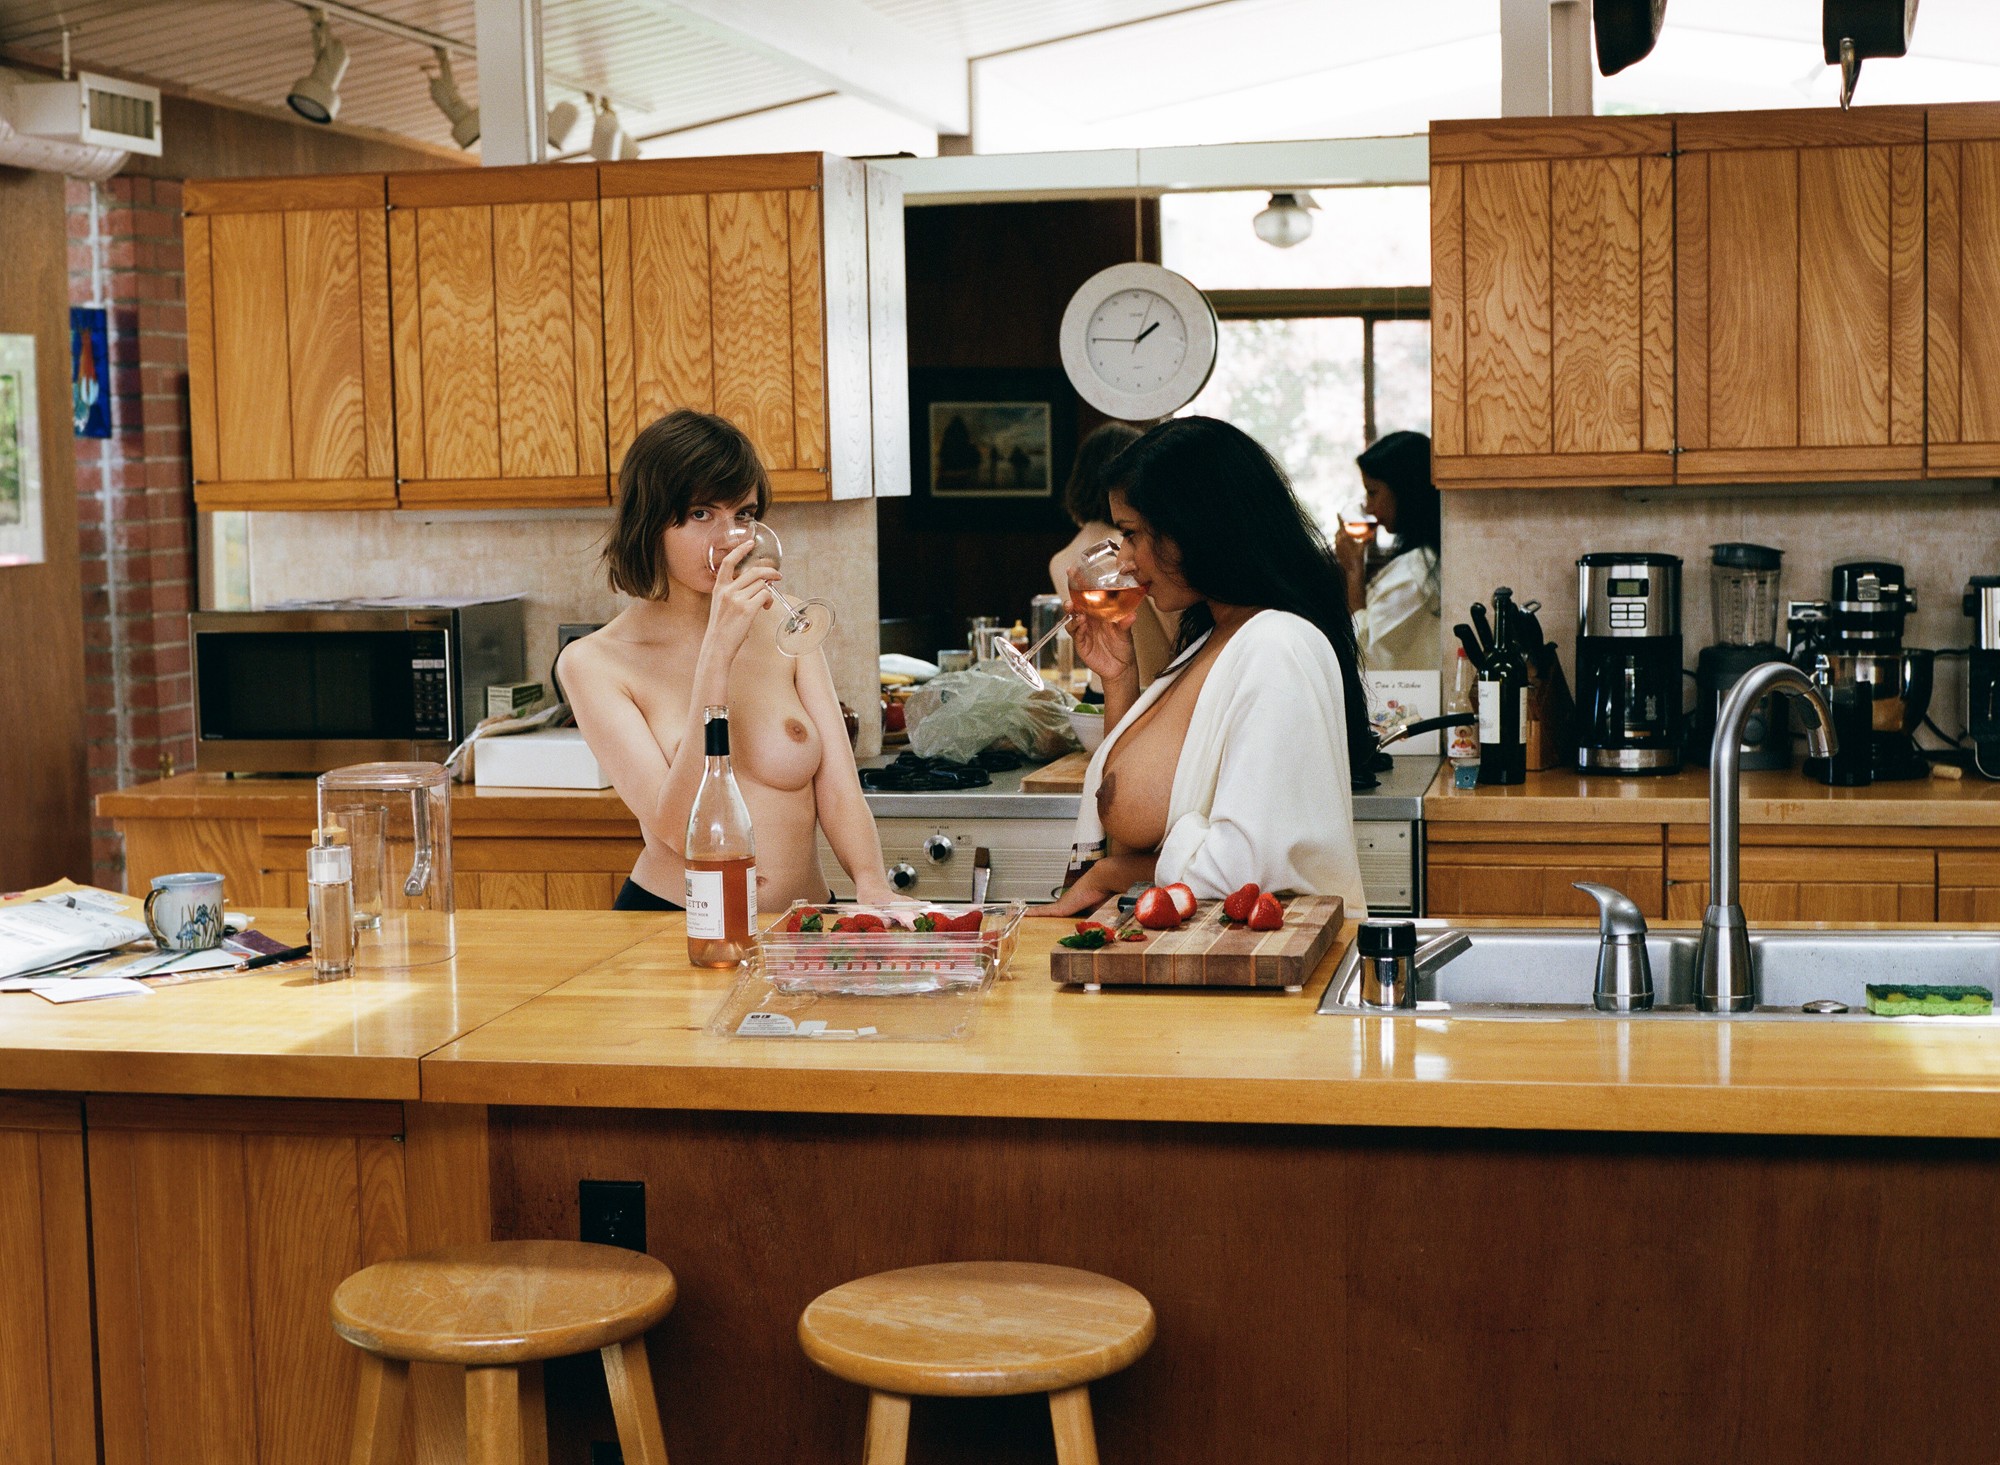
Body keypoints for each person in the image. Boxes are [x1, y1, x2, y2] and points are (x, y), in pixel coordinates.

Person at [560, 409, 896, 912]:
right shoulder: (594, 663)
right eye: (701, 514)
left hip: (797, 923)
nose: (729, 539)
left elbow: (840, 787)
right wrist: (716, 655)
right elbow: (678, 830)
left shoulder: (787, 623)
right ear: (649, 523)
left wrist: (871, 883)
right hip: (674, 923)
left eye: (743, 515)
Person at [1042, 417, 1370, 916]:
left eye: (1131, 534)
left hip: (1244, 958)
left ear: (1193, 528)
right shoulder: (1213, 636)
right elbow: (1137, 799)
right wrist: (1119, 679)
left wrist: (1111, 874)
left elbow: (1244, 870)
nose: (1124, 560)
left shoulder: (1276, 647)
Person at [1048, 420, 1179, 688]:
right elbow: (1178, 641)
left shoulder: (1060, 560)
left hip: (1099, 691)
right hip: (1147, 690)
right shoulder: (1135, 550)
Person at [1336, 430, 1441, 671]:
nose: (1369, 507)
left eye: (1373, 492)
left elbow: (1365, 654)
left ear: (1404, 490)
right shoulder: (1417, 560)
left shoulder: (1417, 572)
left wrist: (1353, 571)